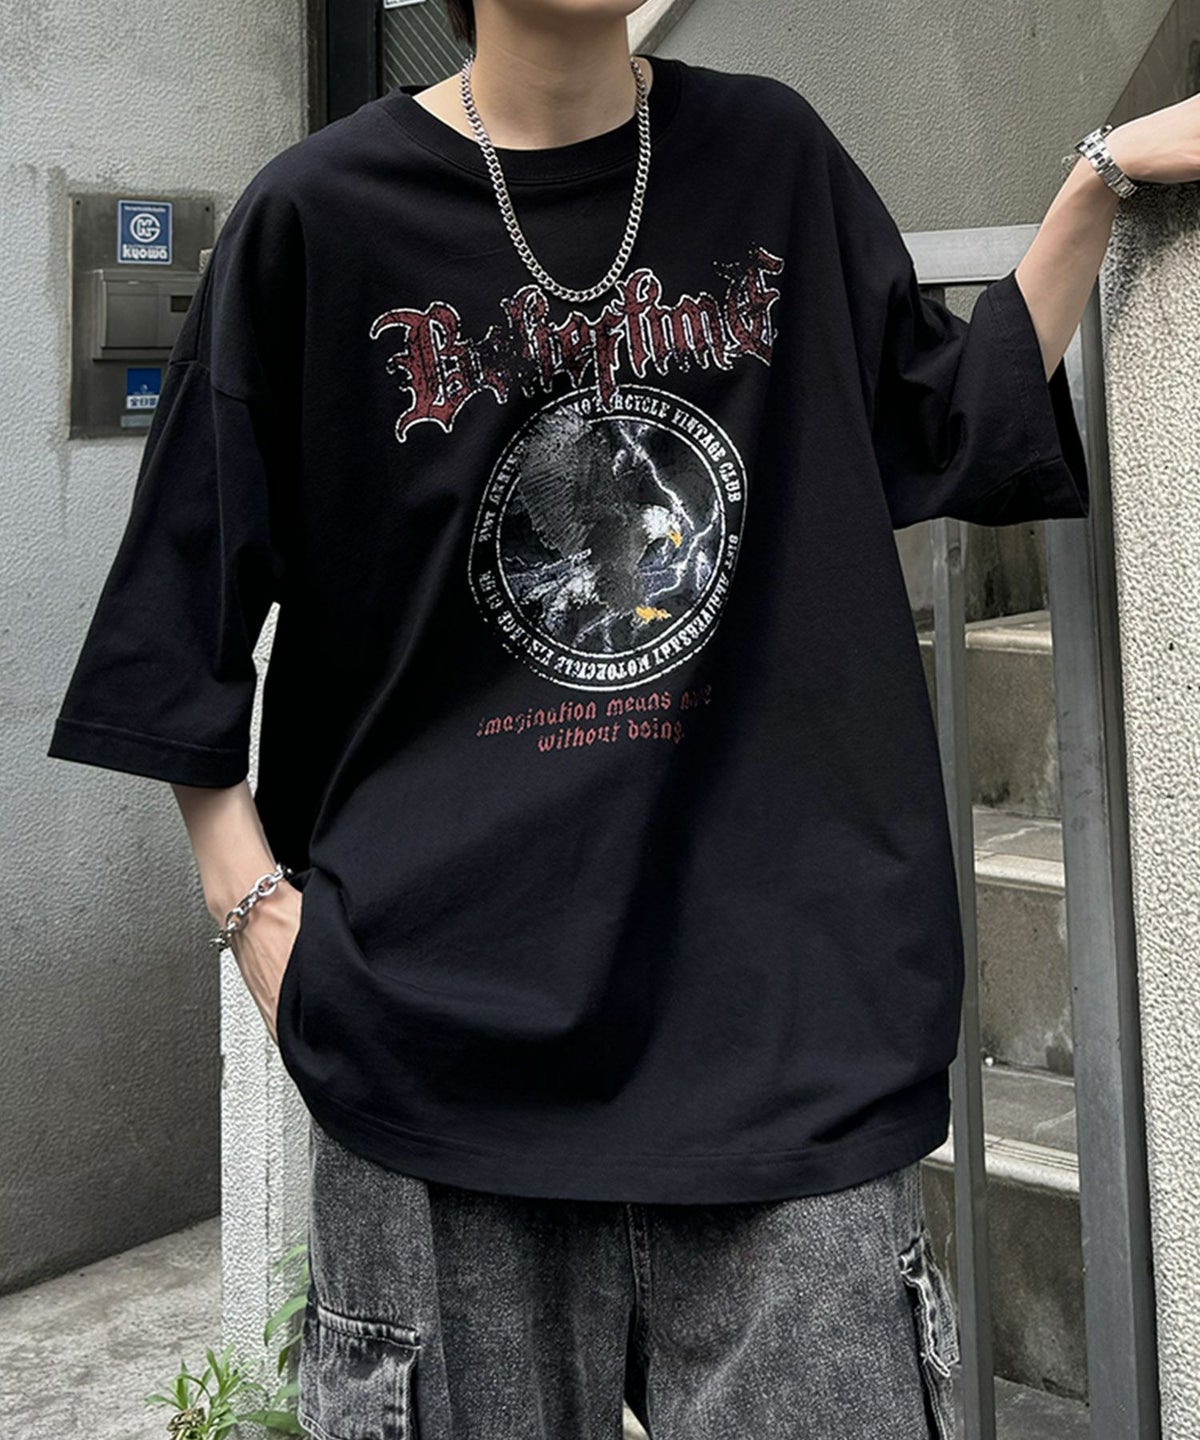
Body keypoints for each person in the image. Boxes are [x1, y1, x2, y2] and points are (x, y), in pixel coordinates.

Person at [46, 1, 1199, 1434]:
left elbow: (946, 416)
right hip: (444, 1058)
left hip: (788, 1039)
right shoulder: (317, 220)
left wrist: (1100, 175)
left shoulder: (771, 157)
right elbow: (181, 610)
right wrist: (254, 915)